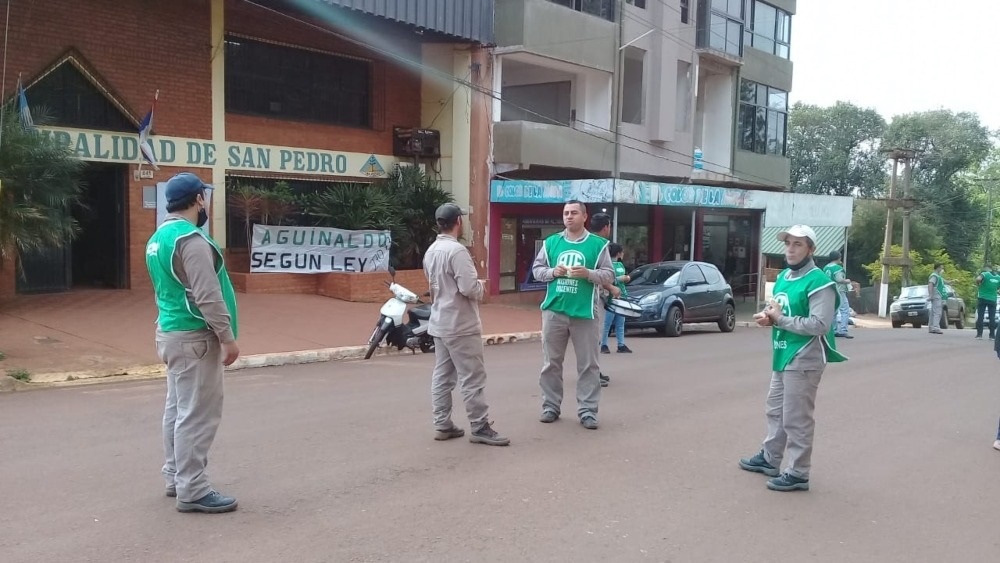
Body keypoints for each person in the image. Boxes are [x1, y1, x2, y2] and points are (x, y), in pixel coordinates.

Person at [145, 172, 241, 513]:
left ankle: (176, 476)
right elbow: (207, 295)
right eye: (205, 196)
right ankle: (193, 488)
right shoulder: (192, 240)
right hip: (195, 338)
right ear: (199, 199)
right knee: (197, 415)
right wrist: (227, 338)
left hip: (170, 333)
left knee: (177, 410)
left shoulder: (159, 238)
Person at [738, 225, 847, 492]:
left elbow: (820, 324)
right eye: (788, 242)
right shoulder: (785, 276)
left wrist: (780, 319)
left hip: (805, 357)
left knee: (797, 418)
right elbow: (777, 308)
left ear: (811, 249)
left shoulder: (820, 283)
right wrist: (768, 318)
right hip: (784, 352)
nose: (790, 248)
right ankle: (770, 458)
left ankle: (798, 472)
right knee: (775, 411)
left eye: (798, 244)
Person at [423, 203, 509, 446]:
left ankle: (442, 424)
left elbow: (431, 281)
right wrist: (483, 285)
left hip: (439, 322)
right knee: (472, 377)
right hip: (461, 324)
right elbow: (469, 288)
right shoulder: (457, 251)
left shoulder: (431, 250)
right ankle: (480, 426)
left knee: (442, 376)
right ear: (458, 222)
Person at [531, 200, 615, 429]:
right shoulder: (551, 243)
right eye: (566, 213)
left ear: (584, 216)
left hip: (585, 313)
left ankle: (588, 411)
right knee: (551, 364)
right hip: (554, 311)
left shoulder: (598, 245)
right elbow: (537, 271)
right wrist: (551, 272)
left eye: (574, 213)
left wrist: (588, 274)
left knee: (589, 365)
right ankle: (550, 407)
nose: (569, 217)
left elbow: (609, 275)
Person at [589, 212, 615, 387]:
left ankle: (594, 371)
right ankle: (592, 374)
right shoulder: (599, 245)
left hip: (585, 298)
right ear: (606, 227)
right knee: (593, 338)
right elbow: (599, 275)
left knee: (592, 338)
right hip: (592, 299)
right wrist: (611, 287)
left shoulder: (586, 242)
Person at [601, 243, 632, 354]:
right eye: (622, 252)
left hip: (622, 296)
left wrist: (627, 278)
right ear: (618, 253)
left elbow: (625, 277)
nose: (623, 254)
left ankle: (621, 344)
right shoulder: (608, 266)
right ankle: (603, 344)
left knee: (620, 322)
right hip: (611, 298)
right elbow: (607, 280)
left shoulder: (620, 265)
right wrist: (620, 279)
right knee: (607, 323)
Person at [822, 250, 854, 339]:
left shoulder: (826, 268)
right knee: (845, 310)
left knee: (833, 311)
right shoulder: (837, 268)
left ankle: (834, 330)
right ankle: (843, 330)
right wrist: (847, 281)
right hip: (839, 290)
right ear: (838, 257)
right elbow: (839, 279)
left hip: (829, 290)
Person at [974, 265, 1000, 340]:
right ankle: (992, 336)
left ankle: (979, 335)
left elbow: (978, 279)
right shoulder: (998, 277)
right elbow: (998, 288)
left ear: (987, 268)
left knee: (981, 317)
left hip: (982, 298)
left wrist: (978, 283)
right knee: (992, 317)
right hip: (992, 299)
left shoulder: (985, 274)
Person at [928, 263, 947, 335]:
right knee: (937, 312)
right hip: (936, 295)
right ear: (938, 268)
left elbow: (945, 282)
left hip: (937, 295)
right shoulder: (934, 276)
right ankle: (936, 327)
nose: (942, 270)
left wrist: (952, 281)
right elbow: (930, 284)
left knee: (933, 311)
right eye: (941, 268)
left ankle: (931, 327)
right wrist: (930, 295)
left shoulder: (939, 277)